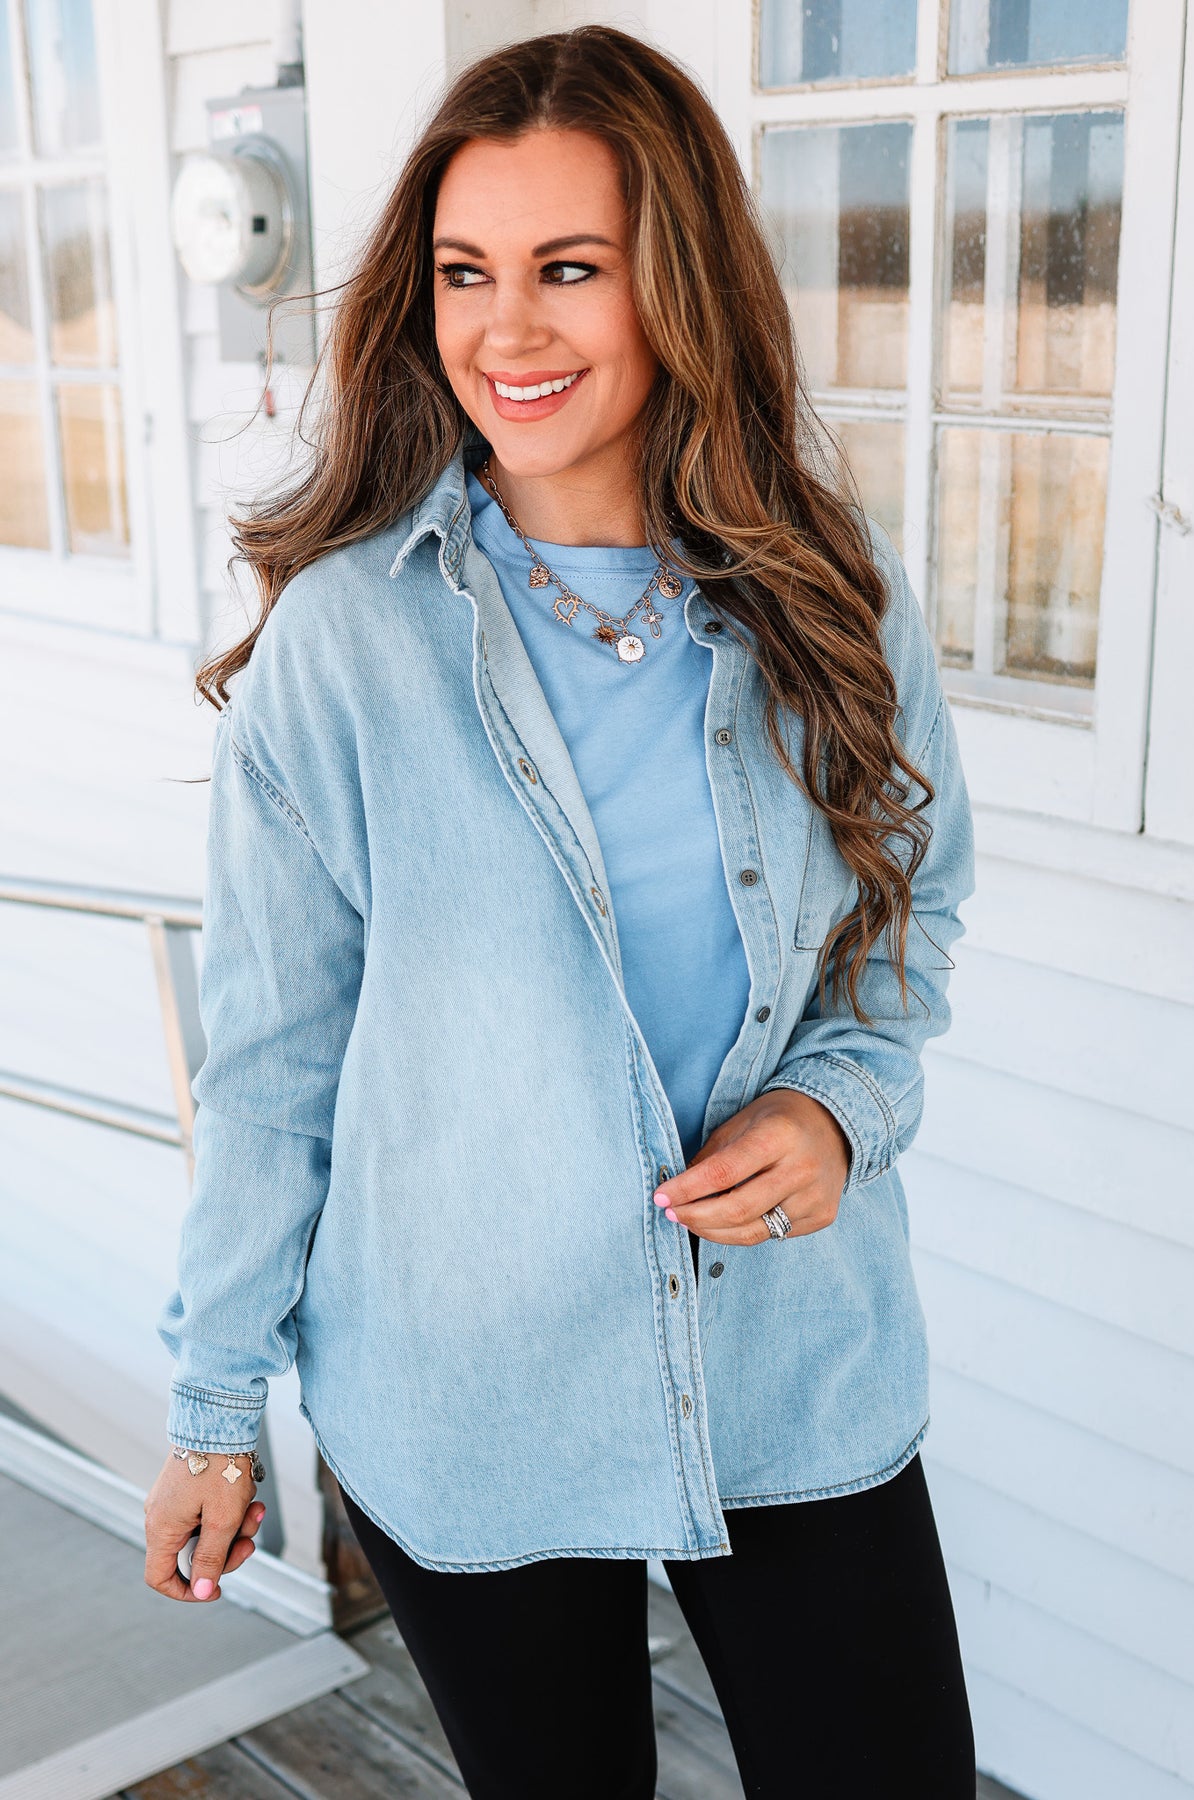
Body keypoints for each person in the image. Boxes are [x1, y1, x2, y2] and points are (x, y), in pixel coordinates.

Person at [143, 25, 977, 1799]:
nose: (504, 330)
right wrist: (216, 1410)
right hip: (469, 1386)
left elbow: (905, 932)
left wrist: (838, 1107)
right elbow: (275, 1070)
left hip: (788, 1359)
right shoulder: (346, 645)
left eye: (569, 269)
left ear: (682, 285)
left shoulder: (833, 593)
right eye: (464, 273)